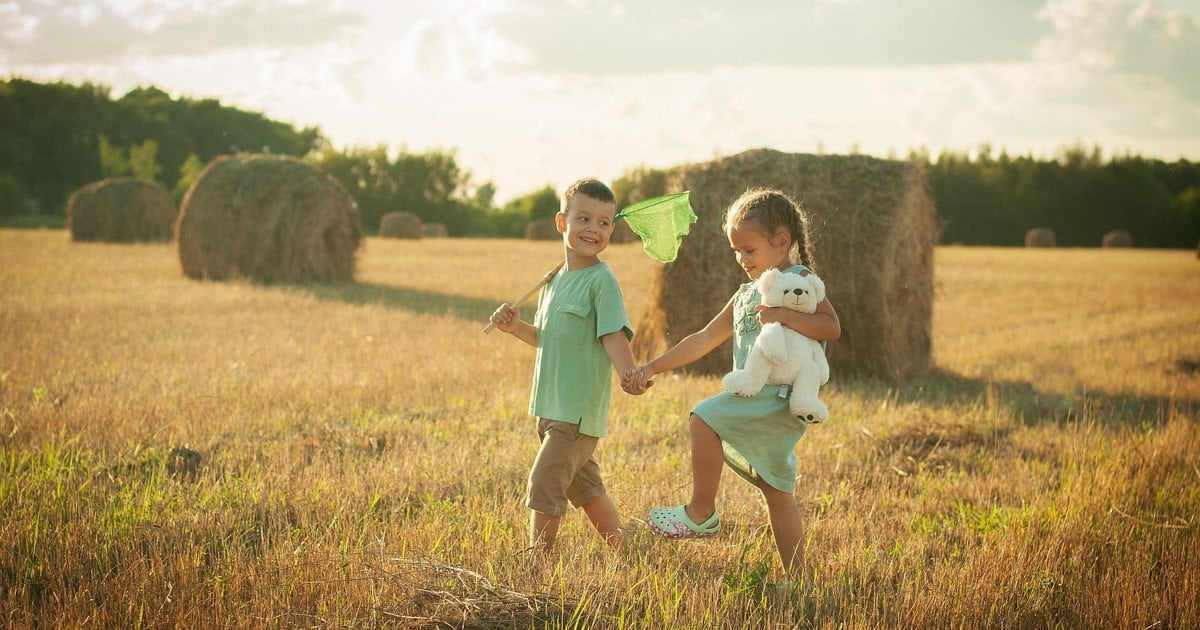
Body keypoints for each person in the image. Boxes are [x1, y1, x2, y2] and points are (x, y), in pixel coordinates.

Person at [622, 187, 841, 580]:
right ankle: (798, 581)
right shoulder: (745, 295)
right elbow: (704, 338)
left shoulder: (798, 279)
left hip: (778, 397)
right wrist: (652, 367)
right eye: (736, 251)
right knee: (777, 492)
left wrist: (781, 315)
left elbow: (831, 326)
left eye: (749, 249)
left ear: (782, 242)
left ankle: (701, 512)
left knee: (703, 418)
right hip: (760, 397)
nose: (742, 259)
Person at [490, 177, 641, 554]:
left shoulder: (601, 281)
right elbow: (547, 337)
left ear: (611, 230)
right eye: (584, 219)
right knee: (584, 487)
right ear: (562, 222)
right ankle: (624, 552)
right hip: (550, 406)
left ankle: (537, 566)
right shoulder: (554, 280)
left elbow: (612, 335)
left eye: (603, 222)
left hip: (576, 412)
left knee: (544, 482)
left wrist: (629, 373)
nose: (593, 229)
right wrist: (514, 327)